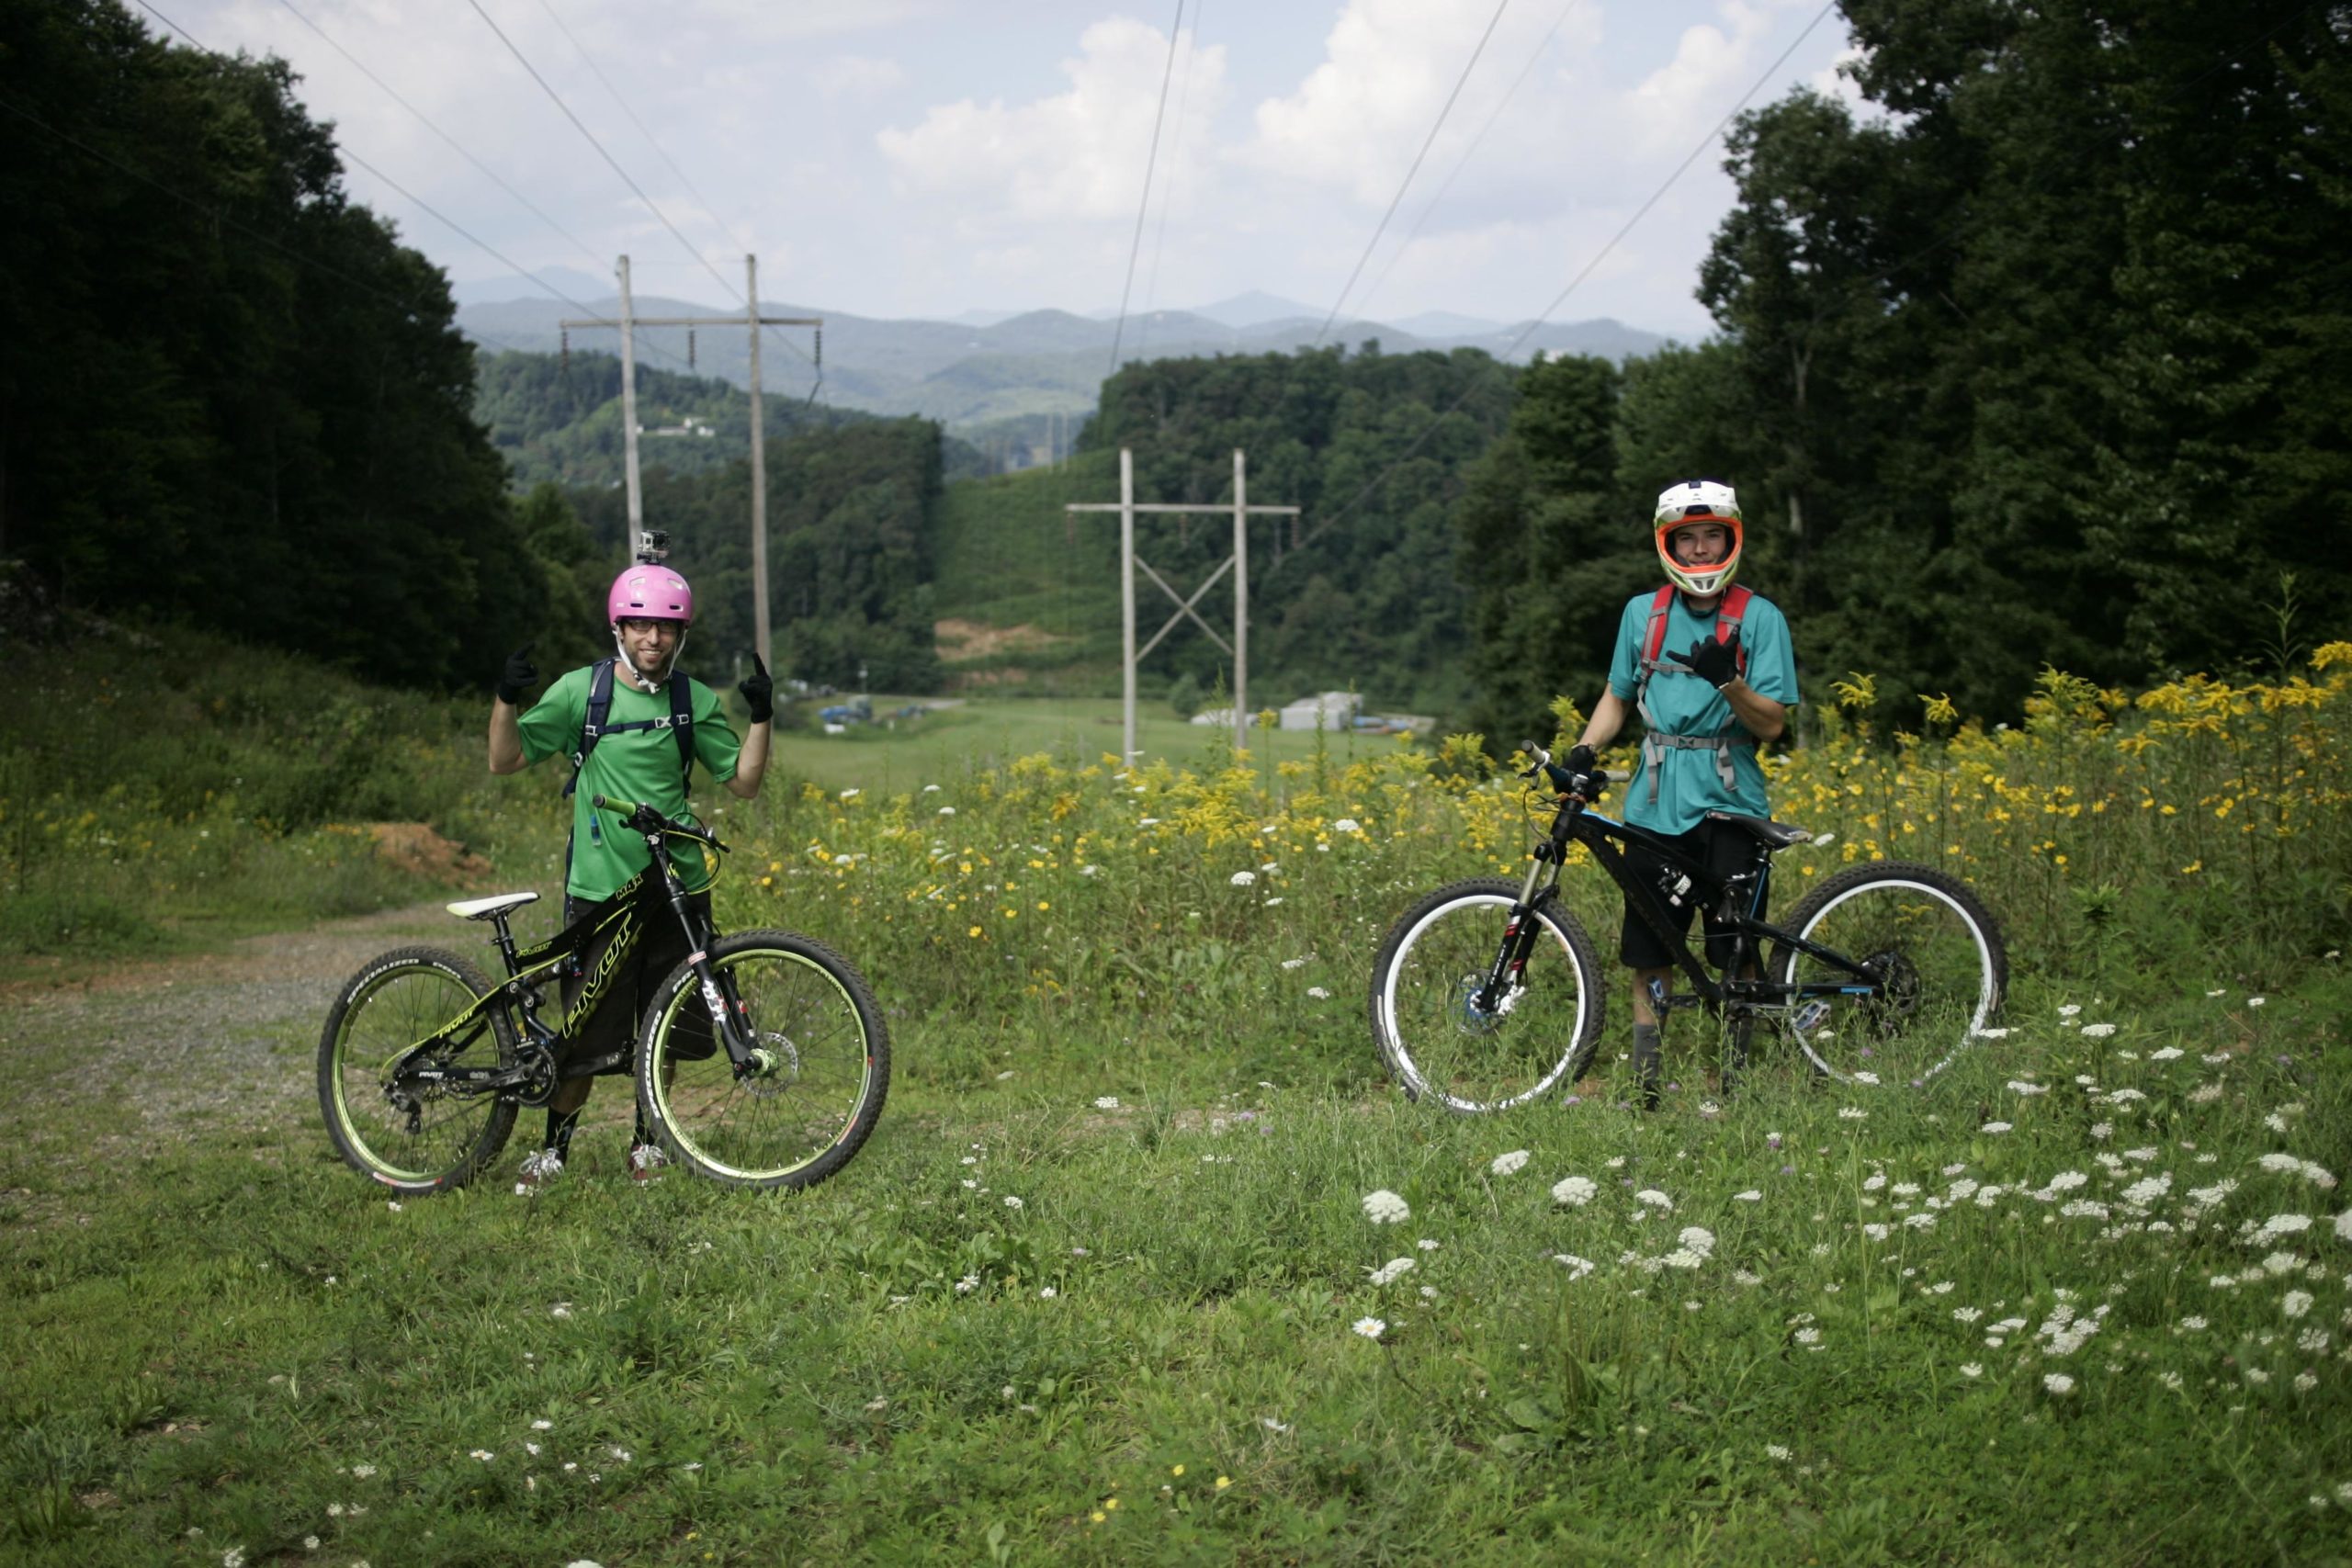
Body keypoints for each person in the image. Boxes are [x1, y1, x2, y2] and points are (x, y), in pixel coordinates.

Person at [488, 554, 773, 1180]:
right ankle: (553, 1149)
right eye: (639, 624)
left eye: (666, 627)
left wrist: (761, 717)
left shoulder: (691, 701)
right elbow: (504, 760)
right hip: (600, 892)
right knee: (584, 1037)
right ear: (619, 627)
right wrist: (507, 698)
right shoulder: (579, 693)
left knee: (664, 1028)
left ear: (681, 634)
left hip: (678, 889)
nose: (652, 637)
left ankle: (647, 1145)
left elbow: (745, 783)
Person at [1562, 479, 1800, 1107]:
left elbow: (1772, 723)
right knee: (1652, 949)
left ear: (1731, 539)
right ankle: (1645, 1090)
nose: (1699, 551)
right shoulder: (1643, 614)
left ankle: (1737, 1086)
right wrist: (1586, 750)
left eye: (1711, 536)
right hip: (1653, 803)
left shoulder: (1760, 617)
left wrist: (1730, 683)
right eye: (1687, 538)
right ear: (1669, 544)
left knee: (1737, 950)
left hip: (1731, 805)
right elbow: (1617, 695)